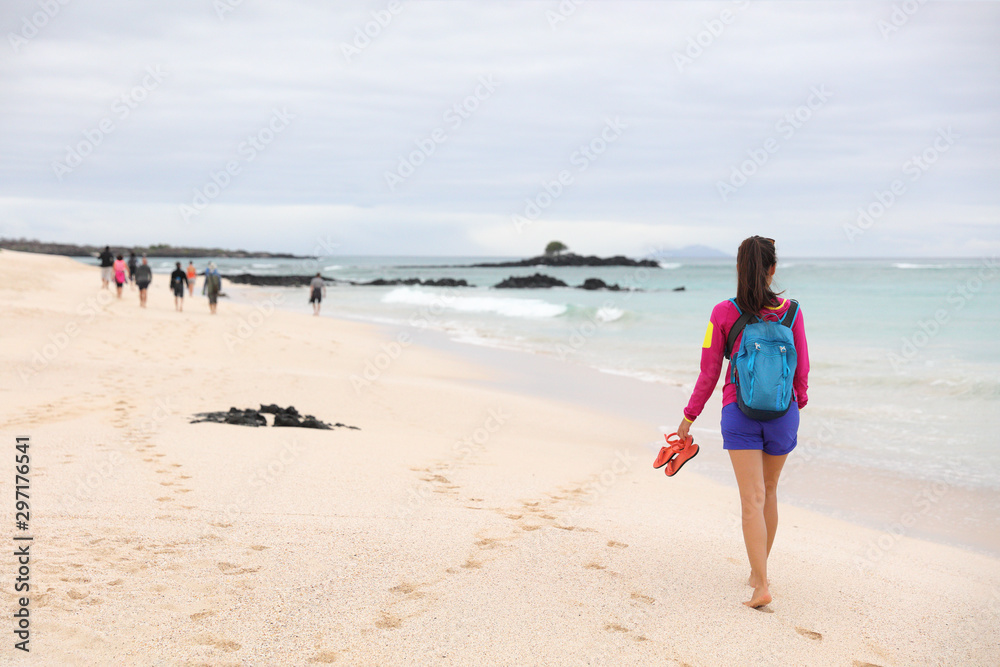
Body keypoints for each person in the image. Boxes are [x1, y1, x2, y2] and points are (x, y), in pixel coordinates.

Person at [675, 235, 809, 609]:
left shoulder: (721, 313)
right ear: (772, 269)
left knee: (751, 499)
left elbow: (709, 372)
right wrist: (796, 404)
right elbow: (803, 370)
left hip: (739, 413)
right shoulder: (793, 311)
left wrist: (690, 416)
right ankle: (758, 572)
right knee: (769, 490)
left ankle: (761, 582)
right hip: (784, 415)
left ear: (738, 268)